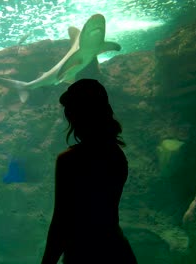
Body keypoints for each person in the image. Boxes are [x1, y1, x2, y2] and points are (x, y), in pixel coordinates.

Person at [41, 79, 137, 263]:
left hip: (83, 253)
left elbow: (62, 220)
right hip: (116, 251)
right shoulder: (116, 155)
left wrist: (47, 262)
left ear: (74, 114)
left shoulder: (69, 160)